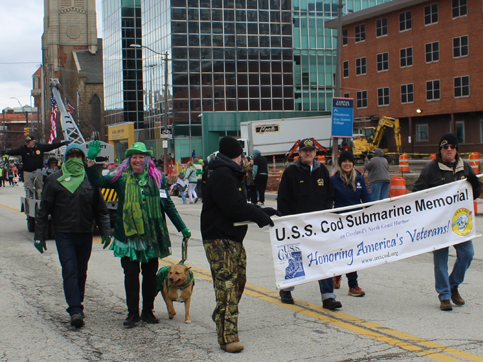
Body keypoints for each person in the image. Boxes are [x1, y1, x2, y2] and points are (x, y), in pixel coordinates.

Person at [85, 141, 192, 327]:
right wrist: (92, 160)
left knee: (150, 276)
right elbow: (97, 181)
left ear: (147, 159)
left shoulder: (157, 180)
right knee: (131, 274)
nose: (137, 160)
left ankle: (147, 311)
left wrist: (181, 227)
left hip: (152, 236)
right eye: (134, 157)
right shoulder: (120, 178)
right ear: (129, 160)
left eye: (141, 156)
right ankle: (132, 313)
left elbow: (167, 205)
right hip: (128, 236)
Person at [201, 136, 278, 353]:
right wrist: (259, 217)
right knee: (227, 287)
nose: (245, 160)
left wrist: (262, 211)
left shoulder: (231, 175)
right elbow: (235, 208)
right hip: (219, 239)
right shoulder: (223, 175)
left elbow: (241, 204)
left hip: (232, 239)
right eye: (242, 156)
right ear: (235, 157)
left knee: (238, 282)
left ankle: (222, 316)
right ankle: (228, 337)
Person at [34, 143, 111, 328]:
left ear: (83, 159)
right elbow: (43, 211)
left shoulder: (90, 179)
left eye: (78, 156)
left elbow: (101, 210)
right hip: (64, 234)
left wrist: (106, 231)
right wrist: (39, 235)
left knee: (81, 272)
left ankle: (78, 303)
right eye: (71, 156)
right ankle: (74, 309)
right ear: (65, 158)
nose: (75, 159)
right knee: (70, 270)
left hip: (85, 233)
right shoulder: (54, 180)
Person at [412, 133, 482, 311]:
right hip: (438, 224)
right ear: (440, 150)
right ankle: (444, 296)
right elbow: (417, 193)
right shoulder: (431, 168)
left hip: (460, 221)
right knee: (440, 261)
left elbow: (476, 192)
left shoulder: (464, 167)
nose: (449, 150)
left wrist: (475, 182)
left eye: (452, 146)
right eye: (445, 147)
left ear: (456, 149)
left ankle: (453, 285)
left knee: (467, 254)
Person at [277, 138, 341, 310]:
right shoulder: (291, 173)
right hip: (296, 225)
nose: (308, 153)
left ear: (315, 153)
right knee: (295, 259)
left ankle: (328, 297)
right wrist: (287, 222)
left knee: (322, 258)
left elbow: (329, 195)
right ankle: (286, 289)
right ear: (299, 153)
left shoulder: (322, 171)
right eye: (305, 150)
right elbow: (283, 200)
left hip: (318, 225)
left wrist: (325, 215)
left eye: (311, 150)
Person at [330, 150, 372, 297]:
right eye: (344, 161)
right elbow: (328, 201)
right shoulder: (334, 180)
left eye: (350, 161)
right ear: (340, 164)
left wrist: (383, 207)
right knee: (347, 251)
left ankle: (338, 274)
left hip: (356, 222)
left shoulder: (359, 179)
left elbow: (366, 199)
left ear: (353, 163)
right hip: (340, 222)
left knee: (350, 251)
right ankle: (352, 285)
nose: (347, 164)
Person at [1, 135, 69, 174]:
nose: (27, 143)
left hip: (38, 171)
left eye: (28, 142)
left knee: (39, 187)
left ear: (33, 142)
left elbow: (50, 146)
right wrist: (6, 152)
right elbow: (14, 151)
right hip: (27, 172)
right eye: (26, 142)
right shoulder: (23, 149)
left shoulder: (40, 147)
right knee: (28, 186)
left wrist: (62, 144)